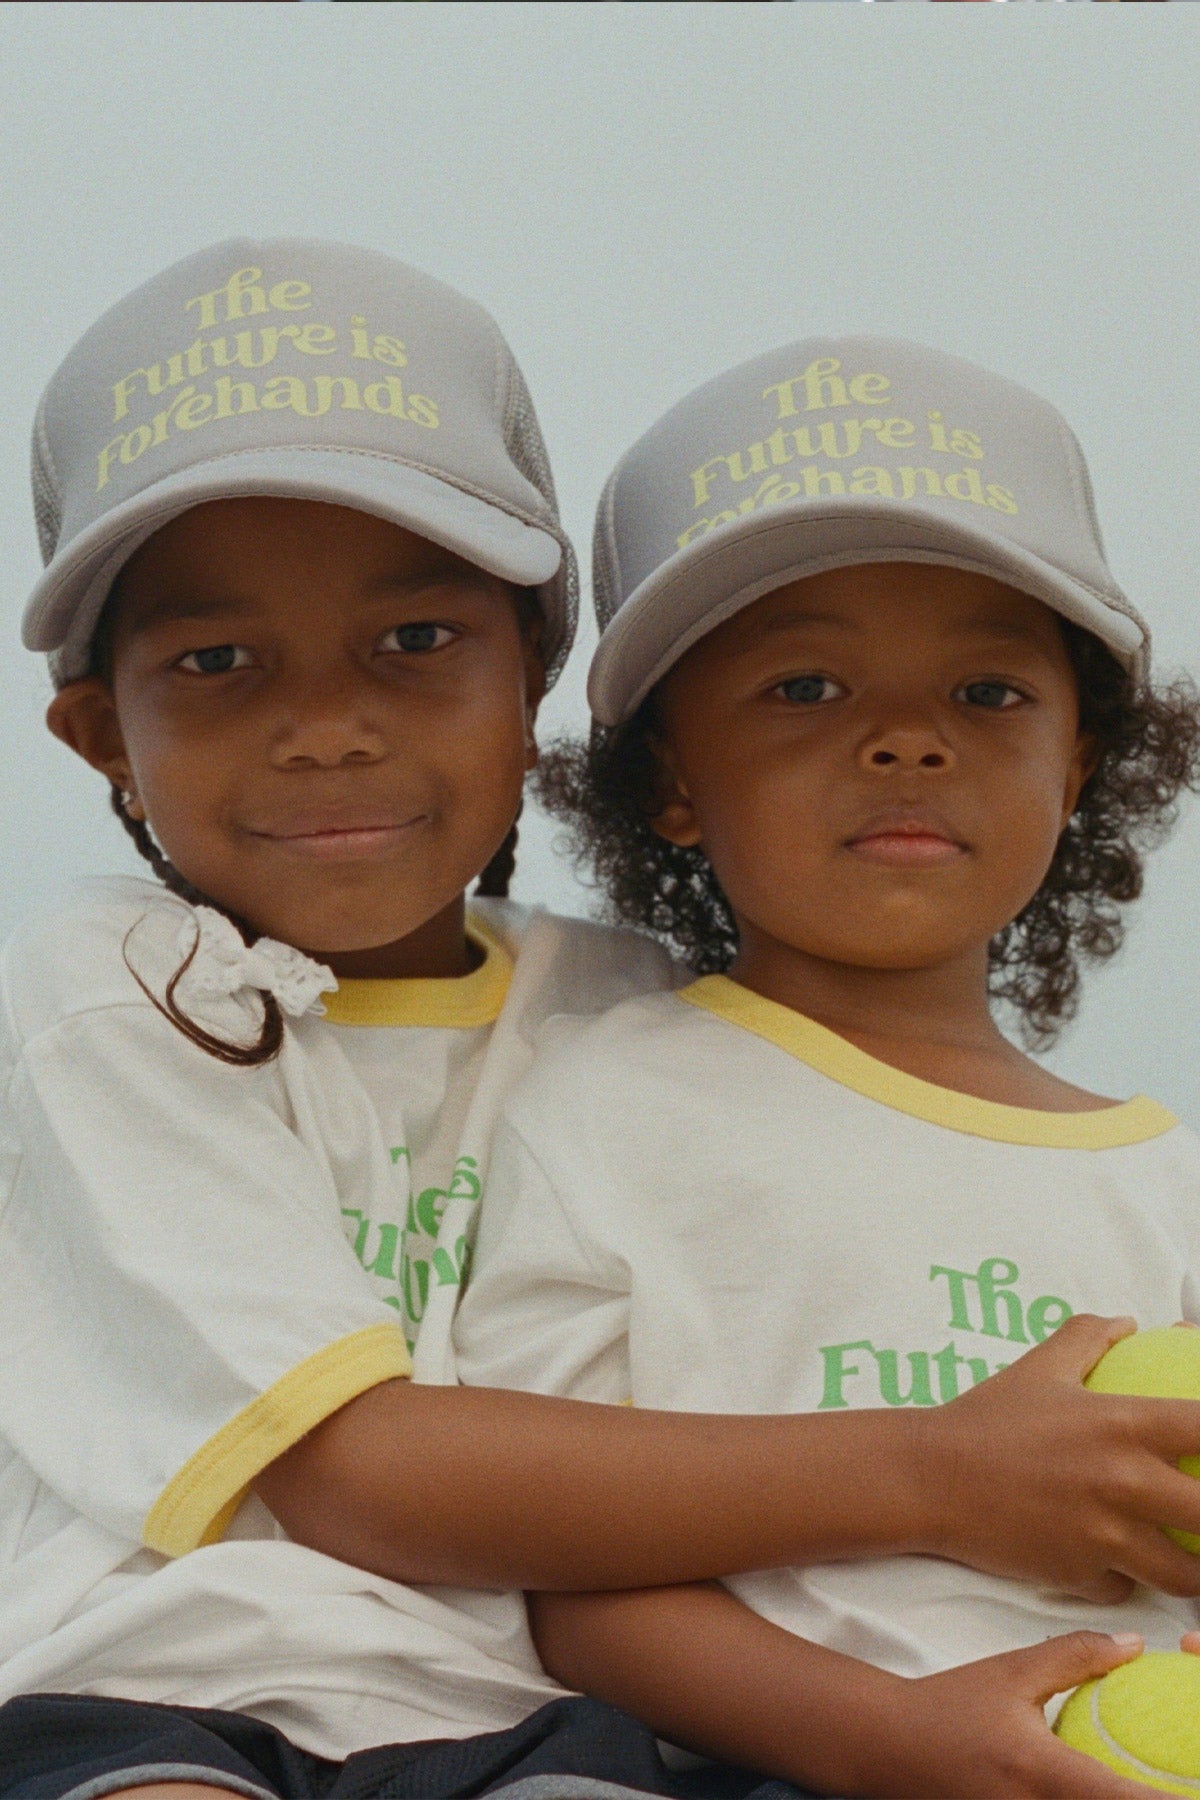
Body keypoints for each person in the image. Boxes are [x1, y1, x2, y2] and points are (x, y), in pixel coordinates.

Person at [454, 334, 1200, 1799]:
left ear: (1081, 765)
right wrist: (891, 1744)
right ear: (670, 777)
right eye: (804, 687)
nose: (907, 741)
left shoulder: (1168, 1178)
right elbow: (568, 1585)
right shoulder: (596, 1102)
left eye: (989, 694)